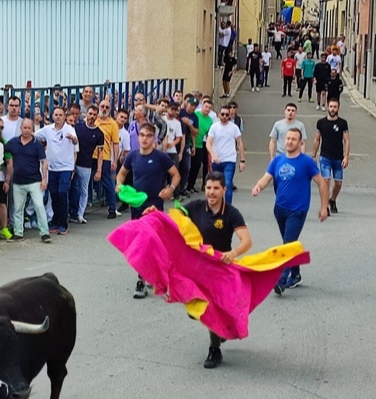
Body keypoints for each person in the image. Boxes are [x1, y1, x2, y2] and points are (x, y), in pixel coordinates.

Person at [182, 173, 250, 367]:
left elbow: (247, 240)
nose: (211, 192)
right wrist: (156, 214)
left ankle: (214, 350)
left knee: (210, 308)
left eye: (216, 188)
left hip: (220, 270)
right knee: (193, 311)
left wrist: (234, 252)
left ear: (224, 190)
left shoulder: (231, 213)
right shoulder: (195, 207)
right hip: (197, 268)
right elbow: (174, 219)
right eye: (208, 188)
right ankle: (220, 331)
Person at [253, 128, 328, 294]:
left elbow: (322, 183)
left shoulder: (307, 162)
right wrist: (258, 186)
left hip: (297, 211)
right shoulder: (277, 160)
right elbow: (266, 178)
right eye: (287, 139)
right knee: (290, 244)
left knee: (287, 245)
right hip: (279, 209)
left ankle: (281, 280)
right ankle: (295, 275)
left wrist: (324, 207)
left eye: (294, 139)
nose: (290, 142)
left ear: (300, 143)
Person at [115, 122, 181, 299]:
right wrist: (119, 186)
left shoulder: (161, 157)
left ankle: (143, 280)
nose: (144, 139)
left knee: (149, 244)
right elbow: (121, 174)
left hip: (155, 207)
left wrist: (170, 189)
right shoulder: (132, 157)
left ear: (154, 139)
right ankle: (144, 277)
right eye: (142, 135)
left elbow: (176, 175)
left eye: (148, 136)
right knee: (140, 244)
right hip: (137, 206)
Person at [6, 118, 51, 243]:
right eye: (24, 128)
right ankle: (18, 233)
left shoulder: (37, 144)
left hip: (34, 181)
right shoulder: (13, 143)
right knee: (18, 208)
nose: (26, 130)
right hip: (18, 181)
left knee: (39, 206)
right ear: (21, 128)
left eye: (29, 128)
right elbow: (2, 149)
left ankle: (44, 233)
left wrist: (44, 179)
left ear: (33, 130)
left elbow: (44, 162)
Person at [35, 107, 78, 235]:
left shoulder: (69, 129)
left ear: (64, 117)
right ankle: (55, 221)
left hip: (66, 167)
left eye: (60, 115)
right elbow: (35, 136)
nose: (58, 117)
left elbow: (75, 139)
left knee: (62, 194)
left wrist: (73, 139)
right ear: (53, 116)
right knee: (53, 195)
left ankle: (63, 224)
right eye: (56, 115)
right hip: (52, 167)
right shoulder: (48, 129)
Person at [312, 99, 349, 216]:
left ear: (338, 108)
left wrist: (346, 156)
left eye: (335, 107)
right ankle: (325, 206)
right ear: (327, 107)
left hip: (338, 157)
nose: (333, 109)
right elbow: (317, 139)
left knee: (338, 183)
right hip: (325, 156)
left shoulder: (343, 123)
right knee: (326, 181)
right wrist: (313, 155)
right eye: (331, 106)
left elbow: (346, 141)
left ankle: (332, 200)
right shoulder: (321, 122)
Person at [70, 106, 104, 224]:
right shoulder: (77, 127)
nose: (92, 116)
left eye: (95, 114)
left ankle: (80, 214)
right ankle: (71, 213)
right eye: (90, 114)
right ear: (86, 114)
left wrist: (99, 170)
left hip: (86, 165)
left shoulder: (99, 133)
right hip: (72, 163)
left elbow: (100, 154)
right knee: (72, 189)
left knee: (84, 191)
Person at [207, 105, 245, 204]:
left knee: (227, 183)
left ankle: (228, 207)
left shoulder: (234, 128)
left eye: (227, 114)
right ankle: (216, 204)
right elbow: (208, 143)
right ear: (219, 114)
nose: (224, 116)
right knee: (216, 185)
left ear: (230, 116)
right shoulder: (214, 127)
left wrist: (242, 160)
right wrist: (213, 154)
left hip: (229, 160)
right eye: (222, 114)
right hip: (216, 161)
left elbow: (240, 143)